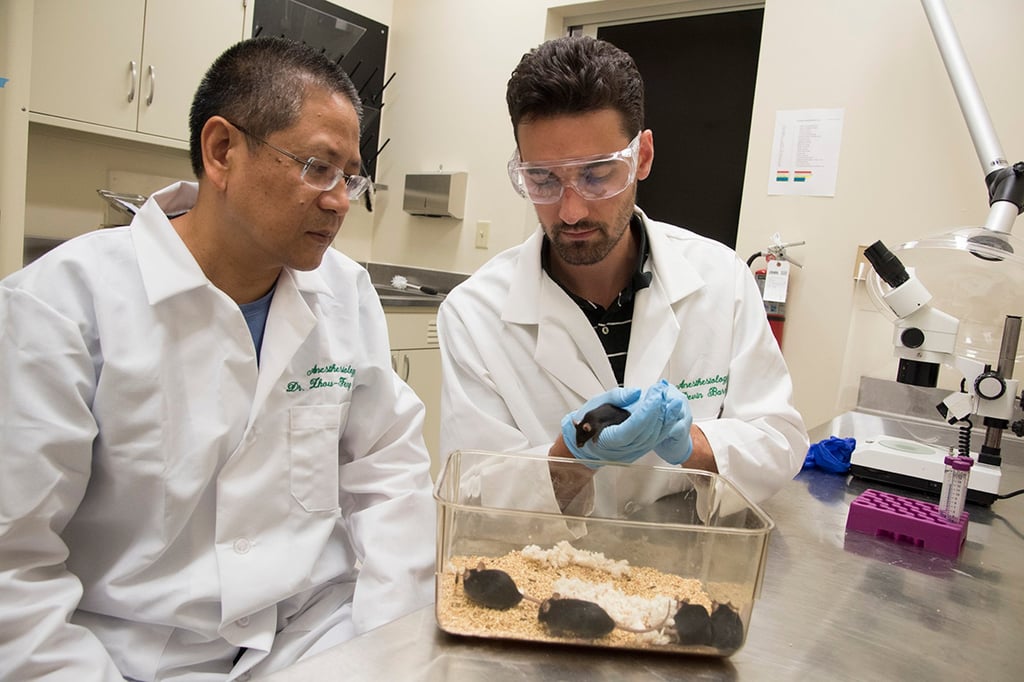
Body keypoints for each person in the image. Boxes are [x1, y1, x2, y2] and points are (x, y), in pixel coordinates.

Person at [0, 37, 435, 680]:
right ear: (222, 150)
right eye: (317, 167)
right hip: (135, 657)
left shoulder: (345, 294)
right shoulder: (61, 307)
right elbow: (14, 564)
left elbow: (389, 480)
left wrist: (379, 644)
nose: (341, 199)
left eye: (350, 175)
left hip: (315, 640)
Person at [437, 35, 808, 511]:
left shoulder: (723, 281)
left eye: (597, 174)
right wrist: (570, 457)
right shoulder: (474, 314)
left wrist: (690, 443)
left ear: (643, 157)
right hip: (542, 571)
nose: (570, 211)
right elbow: (470, 492)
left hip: (687, 567)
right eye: (542, 179)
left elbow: (779, 437)